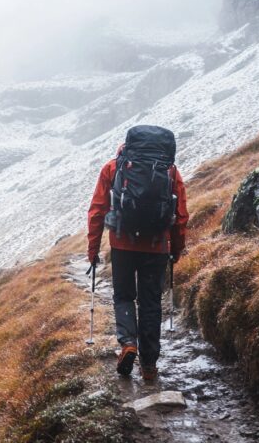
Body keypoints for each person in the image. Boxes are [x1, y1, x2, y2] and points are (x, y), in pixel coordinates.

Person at [87, 125, 188, 381]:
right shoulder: (170, 171)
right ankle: (150, 365)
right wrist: (176, 249)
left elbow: (97, 210)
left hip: (122, 245)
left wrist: (93, 250)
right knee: (151, 303)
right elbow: (181, 215)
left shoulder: (114, 167)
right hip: (157, 247)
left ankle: (128, 342)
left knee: (123, 296)